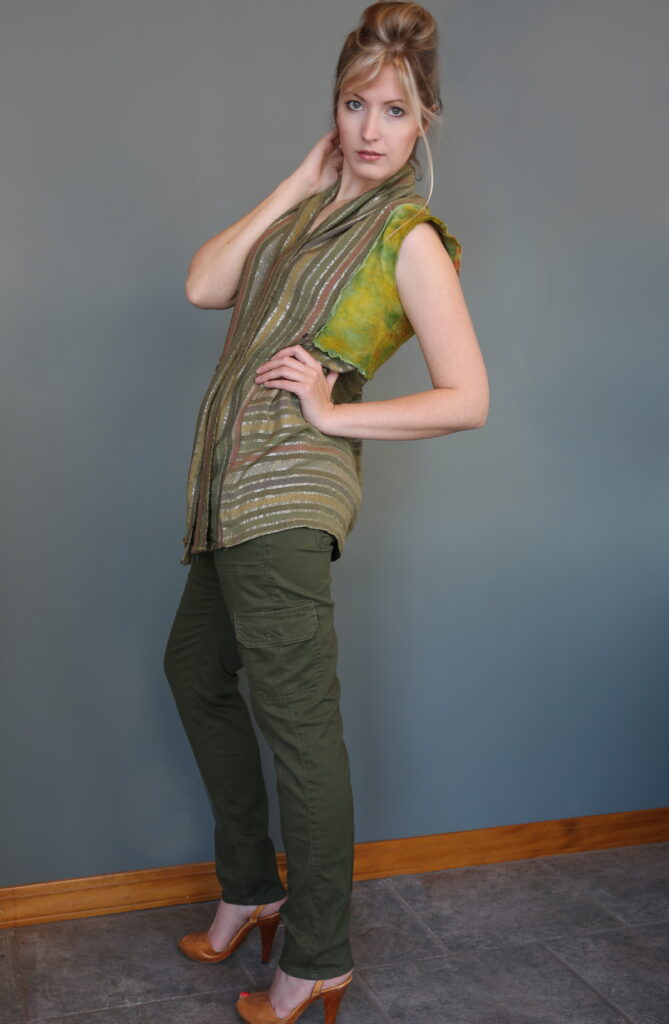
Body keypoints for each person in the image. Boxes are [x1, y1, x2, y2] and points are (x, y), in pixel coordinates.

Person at [163, 2, 488, 1022]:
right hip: (226, 494)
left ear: (424, 120)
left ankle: (316, 955)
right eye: (355, 104)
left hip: (287, 495)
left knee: (300, 730)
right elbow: (203, 284)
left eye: (395, 109)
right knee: (195, 672)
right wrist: (299, 182)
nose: (371, 128)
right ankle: (250, 887)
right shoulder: (308, 212)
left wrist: (333, 411)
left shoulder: (406, 236)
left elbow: (468, 398)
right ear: (333, 109)